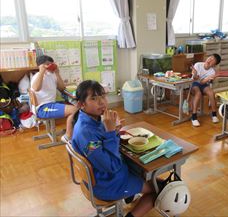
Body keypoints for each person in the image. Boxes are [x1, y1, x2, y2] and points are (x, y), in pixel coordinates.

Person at [71, 80, 156, 217]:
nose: (102, 102)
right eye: (93, 98)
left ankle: (131, 194)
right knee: (158, 189)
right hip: (108, 184)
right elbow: (112, 166)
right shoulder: (85, 132)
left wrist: (113, 130)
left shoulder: (92, 119)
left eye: (103, 96)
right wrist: (111, 133)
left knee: (146, 173)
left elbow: (101, 145)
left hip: (105, 178)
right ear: (81, 104)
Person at [30, 55, 78, 143]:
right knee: (74, 110)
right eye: (47, 64)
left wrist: (57, 73)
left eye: (52, 63)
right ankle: (68, 136)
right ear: (41, 66)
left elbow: (62, 88)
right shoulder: (37, 76)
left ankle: (72, 131)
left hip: (51, 104)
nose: (51, 65)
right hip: (42, 108)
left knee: (76, 107)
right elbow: (36, 88)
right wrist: (41, 72)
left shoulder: (52, 75)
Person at [190, 53, 221, 127]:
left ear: (214, 64)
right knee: (198, 93)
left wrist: (208, 79)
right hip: (194, 84)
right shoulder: (198, 65)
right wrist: (195, 73)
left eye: (213, 60)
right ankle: (194, 117)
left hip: (203, 84)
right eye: (210, 57)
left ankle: (214, 115)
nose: (210, 59)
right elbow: (195, 79)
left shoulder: (212, 71)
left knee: (211, 93)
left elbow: (202, 82)